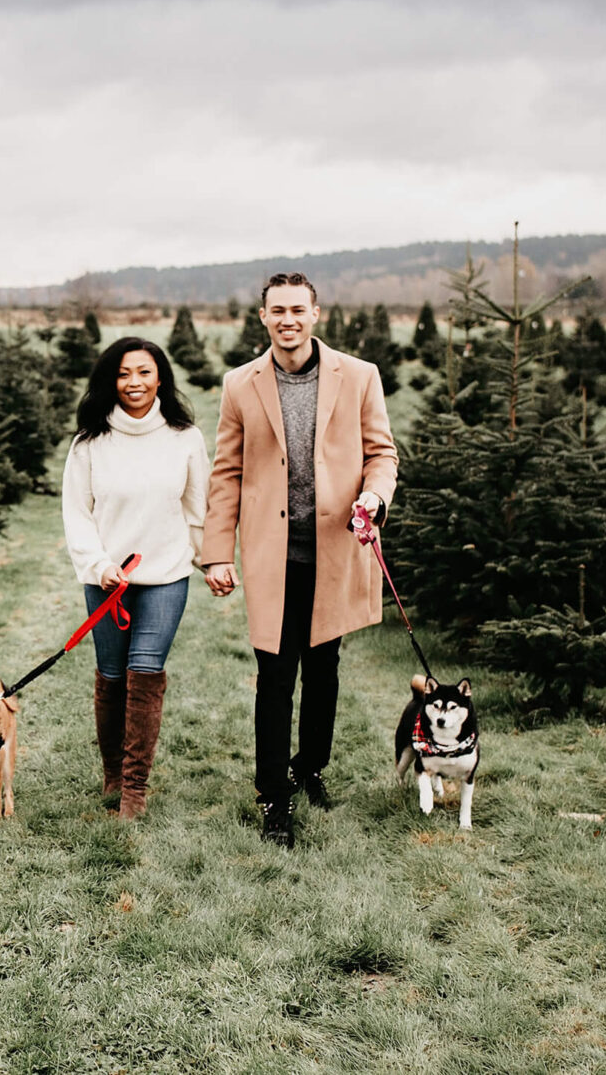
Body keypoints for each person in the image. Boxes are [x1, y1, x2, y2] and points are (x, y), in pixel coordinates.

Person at [202, 273, 398, 847]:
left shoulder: (359, 377)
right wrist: (217, 553)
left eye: (297, 309)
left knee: (325, 670)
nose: (287, 319)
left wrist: (374, 497)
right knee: (274, 677)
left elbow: (382, 454)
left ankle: (310, 767)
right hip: (273, 558)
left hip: (335, 550)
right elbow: (227, 473)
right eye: (277, 311)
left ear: (316, 313)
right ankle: (272, 797)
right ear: (262, 317)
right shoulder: (241, 385)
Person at [61, 337, 210, 819]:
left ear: (160, 378)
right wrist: (99, 564)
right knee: (111, 675)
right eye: (124, 374)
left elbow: (198, 508)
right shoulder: (90, 443)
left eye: (144, 373)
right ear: (112, 380)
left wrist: (210, 561)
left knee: (145, 673)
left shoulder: (184, 437)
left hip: (166, 576)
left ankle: (134, 790)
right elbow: (77, 514)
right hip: (107, 580)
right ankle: (111, 771)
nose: (134, 384)